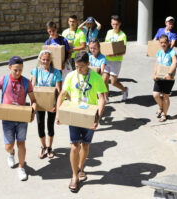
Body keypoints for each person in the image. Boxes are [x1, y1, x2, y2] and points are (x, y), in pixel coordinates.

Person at [55, 51, 107, 192]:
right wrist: (58, 113)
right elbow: (62, 94)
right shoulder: (71, 76)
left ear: (88, 64)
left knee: (85, 145)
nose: (79, 69)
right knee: (74, 146)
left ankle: (81, 168)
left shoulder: (96, 78)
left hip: (89, 116)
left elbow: (102, 98)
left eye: (82, 67)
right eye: (77, 66)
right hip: (74, 115)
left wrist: (98, 117)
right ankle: (74, 175)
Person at [0, 56, 37, 181]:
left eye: (20, 70)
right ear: (9, 68)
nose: (18, 72)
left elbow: (33, 100)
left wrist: (32, 112)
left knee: (21, 143)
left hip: (21, 119)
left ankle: (21, 167)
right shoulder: (3, 80)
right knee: (8, 146)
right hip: (7, 118)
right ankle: (11, 153)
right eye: (15, 70)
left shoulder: (26, 82)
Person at [31, 50, 62, 159]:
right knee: (40, 125)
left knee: (50, 126)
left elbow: (59, 90)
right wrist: (33, 104)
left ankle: (49, 147)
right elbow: (32, 87)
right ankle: (43, 147)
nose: (45, 61)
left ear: (51, 60)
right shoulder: (35, 71)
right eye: (43, 59)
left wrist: (56, 106)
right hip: (39, 103)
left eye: (48, 59)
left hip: (51, 104)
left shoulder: (56, 72)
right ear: (40, 59)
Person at [153, 34, 177, 122]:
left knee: (165, 96)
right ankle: (161, 107)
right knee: (155, 95)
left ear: (168, 42)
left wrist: (169, 74)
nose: (163, 44)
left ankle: (164, 115)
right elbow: (156, 64)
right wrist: (154, 74)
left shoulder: (172, 52)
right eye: (161, 42)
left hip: (168, 78)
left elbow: (174, 63)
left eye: (165, 42)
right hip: (159, 77)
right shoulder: (159, 52)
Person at [104, 15, 128, 102]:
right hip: (107, 60)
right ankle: (106, 98)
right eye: (113, 24)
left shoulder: (122, 35)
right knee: (104, 80)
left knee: (113, 82)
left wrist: (115, 54)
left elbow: (124, 51)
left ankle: (124, 90)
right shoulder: (109, 32)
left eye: (116, 24)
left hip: (116, 61)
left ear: (120, 24)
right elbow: (106, 45)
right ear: (111, 23)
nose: (114, 26)